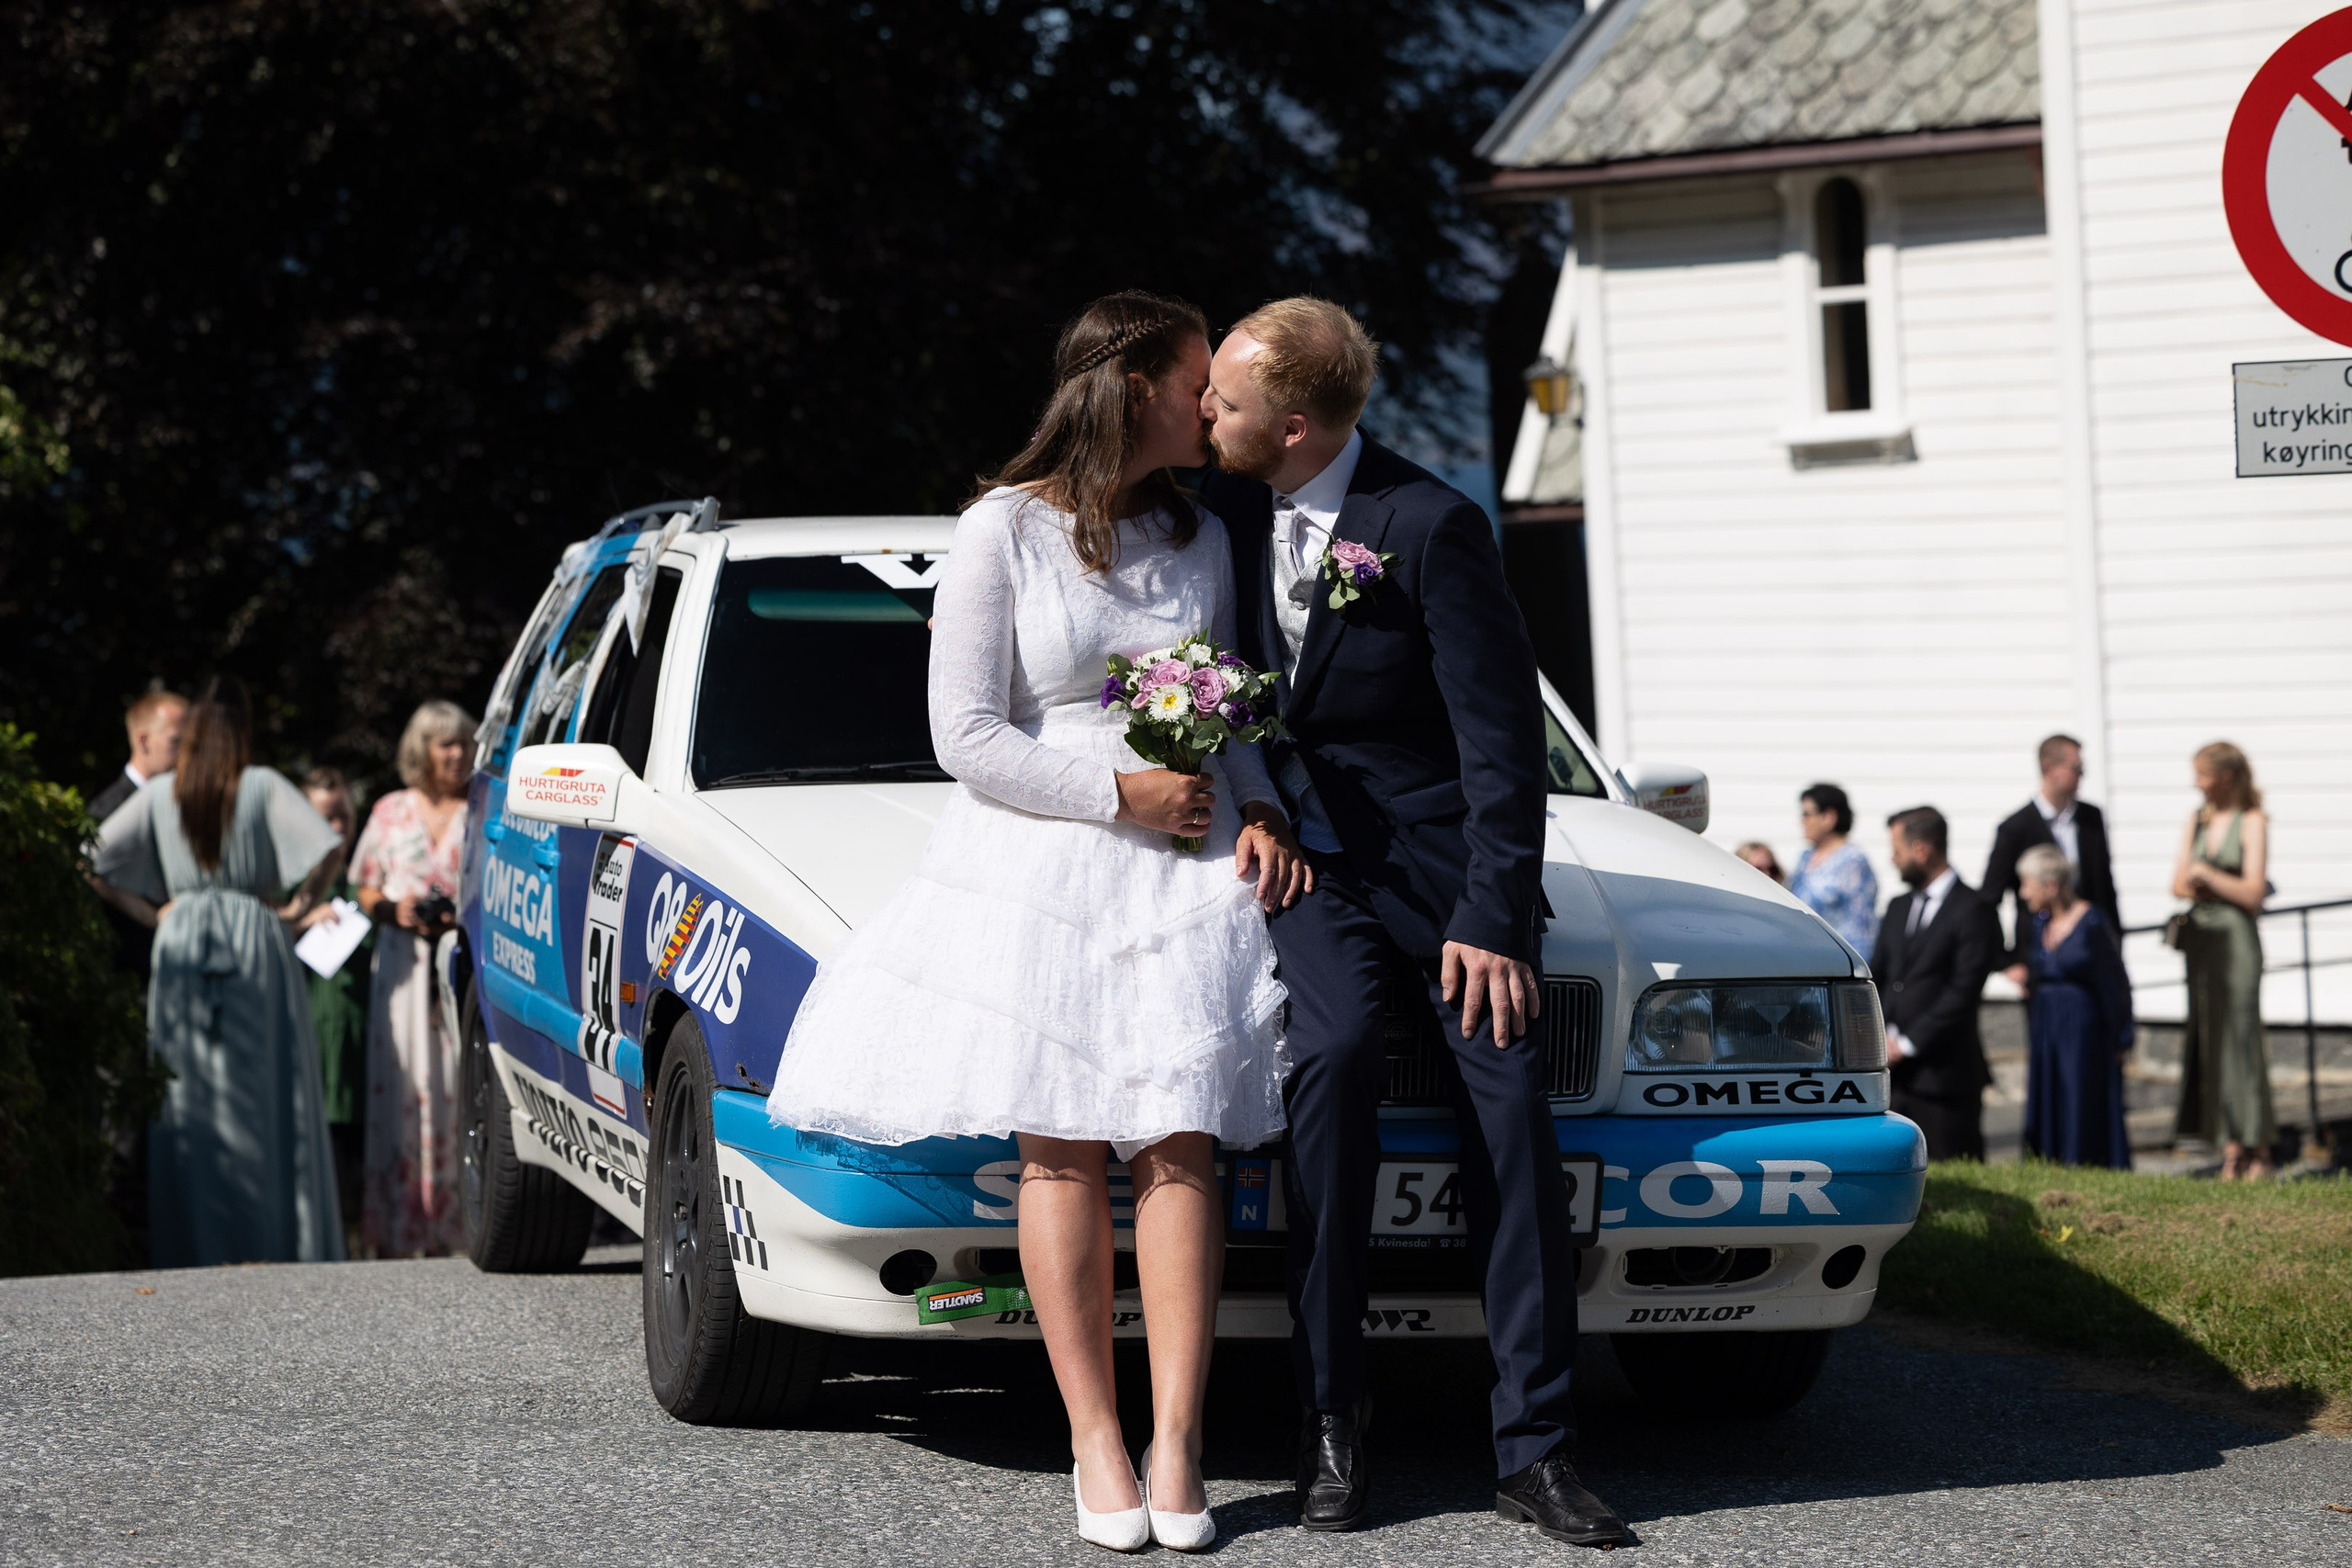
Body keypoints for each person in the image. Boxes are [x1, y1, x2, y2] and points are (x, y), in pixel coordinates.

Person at [765, 292, 1306, 1554]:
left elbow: (1236, 703)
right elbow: (967, 735)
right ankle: (1094, 1433)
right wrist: (1115, 788)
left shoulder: (1204, 535)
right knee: (1062, 1146)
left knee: (1181, 1144)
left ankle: (1178, 1436)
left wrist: (1262, 804)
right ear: (1127, 386)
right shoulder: (1000, 529)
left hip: (1183, 865)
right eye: (1192, 380)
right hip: (1048, 856)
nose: (1208, 402)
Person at [1199, 297, 1628, 1549]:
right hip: (1314, 869)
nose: (1201, 414)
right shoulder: (1216, 509)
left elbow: (1501, 740)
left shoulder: (1431, 524)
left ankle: (1535, 1447)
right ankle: (1332, 1422)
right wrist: (1261, 803)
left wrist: (1493, 911)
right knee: (1329, 1067)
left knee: (1508, 1106)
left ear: (1290, 423)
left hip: (1449, 878)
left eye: (1222, 399)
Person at [91, 676, 345, 1267]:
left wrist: (154, 914)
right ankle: (274, 1240)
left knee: (190, 1093)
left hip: (181, 940)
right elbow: (329, 845)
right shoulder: (259, 784)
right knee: (266, 1090)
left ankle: (195, 1245)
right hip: (253, 935)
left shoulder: (162, 793)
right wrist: (298, 907)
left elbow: (91, 859)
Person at [351, 701, 474, 1258]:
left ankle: (460, 1226)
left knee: (456, 1081)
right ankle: (402, 1229)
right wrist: (393, 909)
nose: (457, 753)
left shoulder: (482, 810)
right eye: (445, 744)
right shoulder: (390, 811)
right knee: (402, 1088)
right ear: (421, 749)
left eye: (463, 743)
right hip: (403, 970)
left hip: (460, 963)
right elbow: (363, 887)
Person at [2168, 741, 2274, 1180]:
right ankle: (2231, 1146)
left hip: (2236, 941)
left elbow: (2252, 893)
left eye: (2203, 774)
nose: (2197, 784)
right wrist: (2203, 883)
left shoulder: (2252, 821)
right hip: (2202, 942)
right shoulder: (2197, 820)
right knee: (2211, 1041)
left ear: (2226, 777)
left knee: (2242, 1041)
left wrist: (2209, 877)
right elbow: (2177, 884)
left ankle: (2260, 1148)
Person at [1871, 806, 1997, 1162]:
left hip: (1944, 1077)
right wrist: (1880, 1037)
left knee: (1951, 1171)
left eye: (1897, 851)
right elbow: (1878, 975)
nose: (1893, 860)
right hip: (1894, 1078)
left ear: (1921, 850)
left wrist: (1907, 1044)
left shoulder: (1974, 909)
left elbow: (1963, 991)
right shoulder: (1897, 907)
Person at [2016, 844, 2133, 1168]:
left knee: (2077, 1092)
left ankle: (2082, 1161)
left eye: (2028, 884)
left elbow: (2115, 983)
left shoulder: (2091, 923)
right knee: (2049, 1091)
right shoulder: (2040, 923)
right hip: (2046, 1022)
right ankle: (2047, 1159)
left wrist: (2121, 1036)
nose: (2024, 893)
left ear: (2050, 885)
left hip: (2081, 1026)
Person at [1984, 734, 2120, 989]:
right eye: (2076, 768)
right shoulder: (2015, 828)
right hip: (2041, 956)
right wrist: (2005, 961)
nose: (2082, 775)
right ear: (2049, 769)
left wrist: (2114, 941)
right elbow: (1989, 897)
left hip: (2092, 950)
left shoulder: (2091, 818)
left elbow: (2105, 886)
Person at [300, 766, 372, 1241]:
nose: (339, 829)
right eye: (327, 818)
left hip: (364, 1050)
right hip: (313, 1052)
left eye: (344, 817)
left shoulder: (364, 888)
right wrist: (302, 918)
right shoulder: (294, 891)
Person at [1790, 784, 1878, 957]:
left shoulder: (1853, 861)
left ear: (1829, 817)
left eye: (1807, 814)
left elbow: (1861, 927)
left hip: (1835, 964)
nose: (1802, 821)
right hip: (1801, 958)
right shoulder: (1805, 857)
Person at [90, 689, 187, 825]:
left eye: (190, 743)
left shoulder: (187, 803)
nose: (187, 752)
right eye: (176, 741)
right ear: (144, 742)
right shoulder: (107, 813)